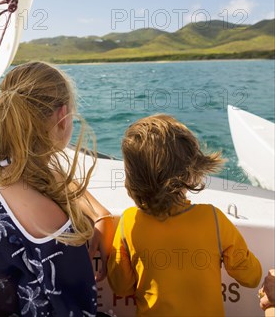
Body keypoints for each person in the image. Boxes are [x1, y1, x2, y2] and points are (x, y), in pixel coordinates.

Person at [0, 62, 114, 316]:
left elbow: (57, 177)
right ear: (63, 116)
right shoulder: (51, 226)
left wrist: (101, 215)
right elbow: (78, 308)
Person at [107, 114, 262, 317]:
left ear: (133, 178)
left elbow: (121, 287)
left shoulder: (129, 222)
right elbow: (251, 277)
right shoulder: (213, 219)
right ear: (190, 172)